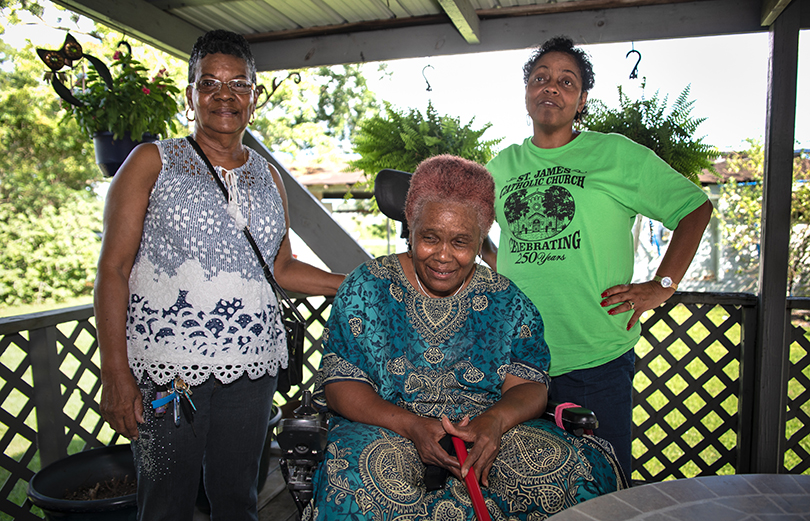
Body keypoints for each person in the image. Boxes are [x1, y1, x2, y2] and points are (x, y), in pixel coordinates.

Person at [93, 29, 344, 521]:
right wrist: (116, 373)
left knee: (238, 499)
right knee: (165, 502)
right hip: (170, 373)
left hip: (252, 371)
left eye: (238, 84)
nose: (224, 95)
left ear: (254, 96)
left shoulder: (269, 177)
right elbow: (112, 269)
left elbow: (280, 267)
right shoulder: (152, 162)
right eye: (209, 83)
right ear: (191, 95)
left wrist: (356, 281)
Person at [307, 155, 626, 521]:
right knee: (359, 486)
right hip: (387, 425)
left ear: (481, 241)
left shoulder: (507, 299)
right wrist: (411, 425)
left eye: (461, 242)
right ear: (411, 227)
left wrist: (495, 422)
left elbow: (530, 385)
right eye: (429, 238)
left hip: (485, 425)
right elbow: (341, 383)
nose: (443, 256)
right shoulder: (366, 287)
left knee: (569, 472)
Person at [484, 36, 713, 479]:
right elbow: (468, 226)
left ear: (582, 99)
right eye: (541, 78)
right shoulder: (501, 166)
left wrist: (662, 285)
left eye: (566, 81)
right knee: (523, 485)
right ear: (527, 92)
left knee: (602, 487)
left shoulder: (614, 154)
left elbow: (694, 208)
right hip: (516, 364)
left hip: (594, 359)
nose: (551, 87)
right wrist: (495, 260)